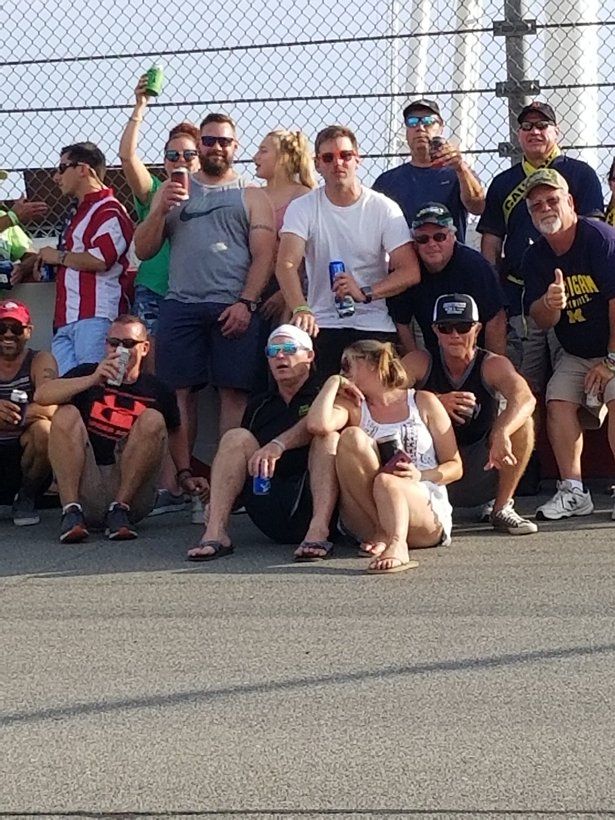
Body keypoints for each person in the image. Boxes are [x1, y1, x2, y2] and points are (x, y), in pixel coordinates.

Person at [134, 112, 276, 444]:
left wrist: (246, 303)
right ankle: (181, 474)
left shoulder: (252, 194)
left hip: (233, 306)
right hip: (180, 304)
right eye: (209, 140)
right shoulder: (171, 190)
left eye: (224, 141)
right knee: (177, 394)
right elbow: (143, 250)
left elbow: (265, 256)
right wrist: (159, 211)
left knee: (234, 393)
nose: (216, 147)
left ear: (235, 146)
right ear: (199, 144)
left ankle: (229, 472)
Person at [34, 315, 207, 543]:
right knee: (65, 413)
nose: (120, 350)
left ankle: (119, 509)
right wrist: (93, 379)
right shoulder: (87, 372)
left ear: (144, 348)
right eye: (113, 343)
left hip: (132, 491)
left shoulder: (158, 389)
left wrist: (184, 474)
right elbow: (42, 395)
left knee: (153, 418)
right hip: (89, 481)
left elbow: (175, 430)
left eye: (128, 344)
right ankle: (71, 511)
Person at [478, 101, 604, 394]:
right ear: (518, 135)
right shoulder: (503, 183)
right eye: (526, 126)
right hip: (521, 297)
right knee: (524, 385)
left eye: (542, 125)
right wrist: (494, 289)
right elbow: (491, 241)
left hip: (574, 297)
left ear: (556, 132)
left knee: (575, 388)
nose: (534, 131)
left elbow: (593, 232)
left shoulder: (580, 174)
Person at [276, 124, 420, 379]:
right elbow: (286, 264)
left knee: (376, 396)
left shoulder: (383, 208)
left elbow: (409, 271)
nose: (338, 163)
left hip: (373, 322)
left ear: (357, 159)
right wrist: (301, 308)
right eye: (328, 158)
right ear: (317, 164)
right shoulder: (303, 207)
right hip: (322, 323)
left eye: (345, 155)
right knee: (320, 395)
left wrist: (365, 292)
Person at [306, 340, 462, 574]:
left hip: (421, 508)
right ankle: (384, 531)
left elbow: (455, 466)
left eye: (347, 365)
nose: (342, 372)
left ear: (373, 364)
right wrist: (333, 383)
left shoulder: (422, 401)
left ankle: (397, 543)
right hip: (368, 515)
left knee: (388, 482)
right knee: (351, 437)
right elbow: (318, 425)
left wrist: (420, 475)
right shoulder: (353, 406)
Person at [185, 325, 338, 562]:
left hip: (316, 501)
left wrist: (279, 444)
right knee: (235, 437)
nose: (280, 356)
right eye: (272, 351)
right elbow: (240, 463)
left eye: (288, 349)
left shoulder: (326, 394)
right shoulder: (260, 405)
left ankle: (318, 531)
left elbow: (317, 425)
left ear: (309, 355)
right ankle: (215, 532)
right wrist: (220, 501)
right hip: (269, 501)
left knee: (327, 437)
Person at [522, 168, 615, 520]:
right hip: (577, 353)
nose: (545, 208)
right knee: (557, 399)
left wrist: (610, 362)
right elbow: (540, 319)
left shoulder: (600, 239)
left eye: (552, 200)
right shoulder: (535, 257)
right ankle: (574, 490)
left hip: (613, 348)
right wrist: (550, 304)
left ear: (570, 202)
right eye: (537, 205)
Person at [402, 294, 537, 534]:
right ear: (435, 331)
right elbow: (384, 395)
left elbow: (525, 398)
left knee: (523, 423)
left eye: (463, 327)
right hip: (429, 468)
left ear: (477, 329)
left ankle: (501, 507)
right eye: (446, 328)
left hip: (481, 465)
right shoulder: (419, 361)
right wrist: (432, 402)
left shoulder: (492, 364)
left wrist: (502, 432)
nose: (454, 335)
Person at [119, 76, 201, 363]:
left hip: (195, 294)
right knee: (151, 361)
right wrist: (139, 106)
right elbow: (127, 157)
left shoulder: (214, 194)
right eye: (172, 155)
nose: (180, 160)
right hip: (154, 289)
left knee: (188, 366)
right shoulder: (154, 190)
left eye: (189, 154)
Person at [37, 142, 134, 376]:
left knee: (96, 384)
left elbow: (101, 259)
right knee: (68, 387)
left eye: (62, 168)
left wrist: (58, 257)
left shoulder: (109, 210)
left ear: (83, 169)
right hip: (66, 319)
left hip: (97, 316)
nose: (56, 177)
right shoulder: (77, 212)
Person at [386, 202, 507, 355]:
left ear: (452, 237)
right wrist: (414, 360)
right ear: (415, 243)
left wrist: (490, 363)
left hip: (481, 349)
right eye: (423, 239)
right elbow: (402, 323)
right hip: (436, 354)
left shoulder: (475, 266)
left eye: (439, 237)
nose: (431, 244)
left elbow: (496, 319)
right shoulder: (408, 271)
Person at [373, 99, 484, 242]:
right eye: (412, 122)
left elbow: (478, 207)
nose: (420, 127)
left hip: (448, 253)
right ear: (406, 131)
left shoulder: (459, 174)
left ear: (441, 127)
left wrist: (460, 167)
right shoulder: (387, 181)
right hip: (403, 253)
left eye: (428, 121)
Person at [0, 300, 57, 526]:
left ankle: (27, 497)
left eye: (16, 328)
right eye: (1, 328)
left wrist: (15, 417)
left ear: (29, 331)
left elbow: (52, 404)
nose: (8, 334)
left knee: (45, 430)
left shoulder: (40, 360)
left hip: (23, 453)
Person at [253, 128, 316, 326]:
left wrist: (284, 293)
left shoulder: (303, 196)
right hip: (253, 283)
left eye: (263, 151)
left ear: (283, 157)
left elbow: (307, 253)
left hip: (288, 287)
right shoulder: (253, 195)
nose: (255, 157)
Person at [0, 197, 47, 286]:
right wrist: (12, 217)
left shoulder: (2, 216)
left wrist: (21, 269)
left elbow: (31, 255)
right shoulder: (7, 219)